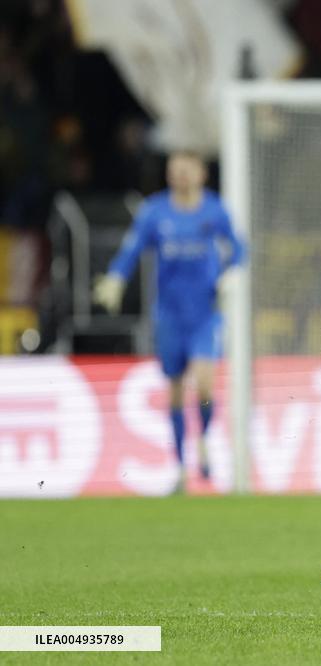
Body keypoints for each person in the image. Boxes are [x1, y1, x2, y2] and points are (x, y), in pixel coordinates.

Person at [93, 151, 245, 494]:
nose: (180, 175)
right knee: (175, 389)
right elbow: (131, 250)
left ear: (201, 174)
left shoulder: (214, 210)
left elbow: (238, 248)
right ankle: (179, 466)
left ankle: (204, 438)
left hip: (204, 314)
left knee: (205, 384)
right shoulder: (155, 211)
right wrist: (116, 278)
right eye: (174, 170)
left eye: (186, 170)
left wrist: (230, 274)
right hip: (170, 316)